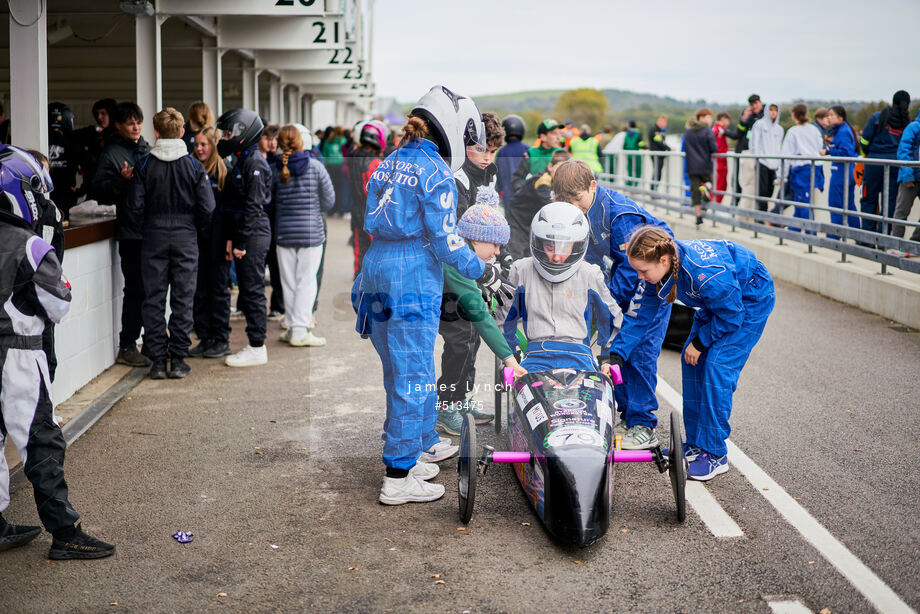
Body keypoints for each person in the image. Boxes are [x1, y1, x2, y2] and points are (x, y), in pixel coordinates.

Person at [352, 85, 505, 505]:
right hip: (412, 273)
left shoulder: (389, 162)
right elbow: (446, 240)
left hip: (376, 267)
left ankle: (413, 450)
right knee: (415, 376)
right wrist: (483, 269)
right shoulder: (435, 170)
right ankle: (398, 477)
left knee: (397, 371)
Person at [0, 145, 115, 559]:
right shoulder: (29, 245)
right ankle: (66, 533)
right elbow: (59, 305)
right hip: (18, 354)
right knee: (41, 442)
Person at [626, 226, 774, 481]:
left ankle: (715, 454)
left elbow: (732, 314)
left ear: (663, 260)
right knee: (691, 359)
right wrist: (619, 352)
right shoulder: (665, 267)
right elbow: (641, 315)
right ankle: (696, 442)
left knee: (717, 366)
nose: (640, 276)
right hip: (719, 302)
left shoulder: (706, 275)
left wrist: (701, 341)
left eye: (643, 271)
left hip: (749, 299)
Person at [552, 159, 673, 449]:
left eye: (578, 198)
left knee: (639, 353)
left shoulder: (620, 216)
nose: (574, 206)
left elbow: (634, 269)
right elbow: (588, 258)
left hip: (651, 284)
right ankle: (625, 414)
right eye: (566, 201)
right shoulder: (577, 212)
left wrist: (606, 304)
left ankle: (643, 424)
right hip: (622, 281)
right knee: (613, 352)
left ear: (592, 186)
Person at [126, 107, 215, 379]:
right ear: (182, 132)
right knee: (183, 299)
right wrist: (194, 228)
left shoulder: (144, 164)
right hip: (186, 236)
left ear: (156, 132)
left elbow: (134, 207)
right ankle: (177, 359)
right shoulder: (193, 165)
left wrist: (147, 226)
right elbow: (208, 207)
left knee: (152, 300)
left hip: (153, 237)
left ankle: (156, 361)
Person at [436, 193, 527, 434]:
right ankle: (445, 405)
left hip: (452, 301)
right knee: (459, 343)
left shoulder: (467, 252)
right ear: (475, 240)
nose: (497, 252)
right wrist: (509, 359)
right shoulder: (457, 260)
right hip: (434, 304)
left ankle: (458, 400)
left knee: (469, 339)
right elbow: (481, 316)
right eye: (495, 245)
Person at [495, 201, 622, 374]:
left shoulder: (590, 274)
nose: (556, 256)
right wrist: (511, 356)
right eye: (549, 246)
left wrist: (608, 358)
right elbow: (503, 319)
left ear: (577, 246)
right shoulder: (522, 269)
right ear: (537, 242)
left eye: (564, 248)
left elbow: (610, 317)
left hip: (580, 358)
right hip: (535, 358)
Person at [91, 101, 151, 368]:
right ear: (119, 126)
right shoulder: (111, 154)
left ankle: (153, 342)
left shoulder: (149, 149)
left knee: (154, 290)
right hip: (130, 233)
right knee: (136, 290)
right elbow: (99, 192)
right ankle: (128, 344)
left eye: (138, 121)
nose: (136, 126)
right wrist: (121, 180)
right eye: (130, 122)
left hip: (152, 231)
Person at [216, 108, 273, 367]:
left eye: (229, 132)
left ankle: (257, 346)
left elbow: (252, 207)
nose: (225, 137)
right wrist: (232, 238)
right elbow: (235, 205)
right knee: (249, 290)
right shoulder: (242, 159)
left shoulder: (254, 162)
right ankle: (255, 344)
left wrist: (240, 241)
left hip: (253, 234)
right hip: (245, 233)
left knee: (252, 290)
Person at [272, 125, 335, 347]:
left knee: (288, 282)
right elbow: (329, 201)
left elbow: (270, 203)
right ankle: (300, 330)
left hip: (284, 234)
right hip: (311, 234)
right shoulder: (316, 167)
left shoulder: (275, 169)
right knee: (306, 282)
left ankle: (292, 326)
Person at [189, 126, 233, 359]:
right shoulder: (192, 169)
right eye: (196, 144)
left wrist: (229, 240)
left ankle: (221, 338)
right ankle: (205, 337)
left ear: (213, 146)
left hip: (218, 240)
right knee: (200, 290)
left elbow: (230, 211)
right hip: (197, 240)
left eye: (203, 144)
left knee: (218, 290)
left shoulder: (224, 172)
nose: (199, 148)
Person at [859, 91, 912, 235]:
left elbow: (864, 141)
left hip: (874, 163)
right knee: (891, 201)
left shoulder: (878, 117)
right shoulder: (907, 121)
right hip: (896, 164)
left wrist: (866, 154)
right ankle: (886, 237)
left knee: (868, 198)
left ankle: (868, 237)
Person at [505, 149, 571, 260]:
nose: (562, 174)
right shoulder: (542, 181)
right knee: (517, 254)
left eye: (565, 171)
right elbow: (551, 206)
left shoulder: (558, 181)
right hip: (518, 219)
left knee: (531, 253)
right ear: (550, 167)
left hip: (532, 219)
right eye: (559, 169)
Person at [346, 120, 386, 277]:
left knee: (359, 247)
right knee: (376, 248)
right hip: (372, 212)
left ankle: (359, 276)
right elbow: (377, 192)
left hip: (356, 209)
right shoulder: (376, 162)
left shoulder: (353, 157)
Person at [777, 103, 825, 232]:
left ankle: (810, 231)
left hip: (801, 169)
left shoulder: (793, 131)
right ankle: (796, 228)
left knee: (803, 201)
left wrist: (781, 175)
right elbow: (820, 147)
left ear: (794, 115)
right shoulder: (814, 130)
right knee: (801, 200)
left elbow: (785, 155)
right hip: (815, 168)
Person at [821, 105, 861, 238]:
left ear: (840, 117)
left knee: (836, 203)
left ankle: (835, 237)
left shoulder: (843, 131)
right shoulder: (841, 130)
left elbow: (847, 152)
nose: (829, 117)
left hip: (841, 172)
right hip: (844, 171)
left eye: (831, 115)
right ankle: (858, 236)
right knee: (848, 205)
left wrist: (828, 151)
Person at [723, 94, 765, 207]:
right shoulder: (750, 117)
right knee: (737, 181)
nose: (754, 106)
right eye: (752, 105)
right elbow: (738, 133)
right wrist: (744, 119)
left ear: (760, 102)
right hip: (742, 153)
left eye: (756, 103)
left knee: (754, 184)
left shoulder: (765, 116)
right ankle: (735, 204)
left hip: (755, 155)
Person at [47, 103, 83, 220]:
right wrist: (81, 190)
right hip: (66, 198)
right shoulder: (73, 144)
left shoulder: (39, 140)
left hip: (46, 197)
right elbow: (92, 165)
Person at [891, 106, 920, 251]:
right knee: (902, 211)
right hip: (911, 178)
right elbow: (904, 151)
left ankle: (914, 243)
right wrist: (908, 176)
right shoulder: (914, 127)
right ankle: (896, 245)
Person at [510, 118, 564, 195]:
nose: (558, 137)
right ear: (543, 137)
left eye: (559, 133)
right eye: (554, 133)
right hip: (534, 200)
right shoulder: (531, 153)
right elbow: (517, 178)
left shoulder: (561, 153)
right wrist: (524, 192)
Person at [684, 108, 718, 224]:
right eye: (709, 118)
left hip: (692, 166)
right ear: (702, 118)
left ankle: (698, 216)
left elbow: (686, 147)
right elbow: (714, 148)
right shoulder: (707, 131)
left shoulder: (688, 132)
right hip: (705, 165)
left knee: (694, 191)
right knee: (709, 181)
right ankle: (706, 188)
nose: (711, 121)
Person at [750, 103, 784, 213]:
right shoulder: (759, 124)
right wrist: (756, 158)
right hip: (762, 162)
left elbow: (779, 147)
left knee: (770, 190)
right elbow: (754, 143)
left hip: (773, 164)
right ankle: (761, 215)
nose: (773, 112)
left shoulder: (779, 129)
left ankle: (764, 213)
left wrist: (778, 164)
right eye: (771, 110)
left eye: (775, 110)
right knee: (762, 190)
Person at [496, 114, 528, 207]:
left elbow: (498, 173)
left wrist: (499, 191)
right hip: (525, 193)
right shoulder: (527, 149)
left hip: (508, 194)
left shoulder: (502, 152)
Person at [321, 126, 347, 216]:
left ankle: (332, 210)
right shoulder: (342, 140)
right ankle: (340, 210)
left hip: (330, 166)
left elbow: (324, 154)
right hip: (339, 166)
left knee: (332, 188)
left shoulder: (328, 141)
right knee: (340, 188)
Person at [648, 115, 671, 189]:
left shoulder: (660, 131)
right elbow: (659, 142)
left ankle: (654, 190)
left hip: (659, 155)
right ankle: (653, 191)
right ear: (659, 121)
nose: (665, 124)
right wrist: (669, 148)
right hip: (656, 155)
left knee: (658, 173)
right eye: (664, 122)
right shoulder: (654, 130)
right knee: (657, 173)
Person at [713, 112, 731, 203]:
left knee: (719, 185)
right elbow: (718, 147)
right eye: (728, 120)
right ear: (723, 119)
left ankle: (715, 206)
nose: (728, 123)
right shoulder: (719, 130)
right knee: (720, 185)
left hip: (719, 161)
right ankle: (715, 206)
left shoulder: (716, 129)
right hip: (720, 162)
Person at [623, 120, 646, 187]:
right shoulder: (638, 133)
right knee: (637, 169)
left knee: (630, 170)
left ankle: (629, 184)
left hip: (629, 154)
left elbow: (624, 145)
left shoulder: (626, 134)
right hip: (636, 154)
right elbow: (640, 144)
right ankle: (635, 185)